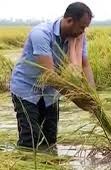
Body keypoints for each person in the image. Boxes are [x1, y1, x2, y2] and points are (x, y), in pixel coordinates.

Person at [10, 2, 95, 149]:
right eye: (82, 27)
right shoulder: (41, 34)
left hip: (50, 94)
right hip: (26, 90)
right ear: (69, 20)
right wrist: (79, 101)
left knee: (50, 139)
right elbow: (50, 77)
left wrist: (93, 96)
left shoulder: (78, 38)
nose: (83, 31)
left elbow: (85, 65)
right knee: (30, 139)